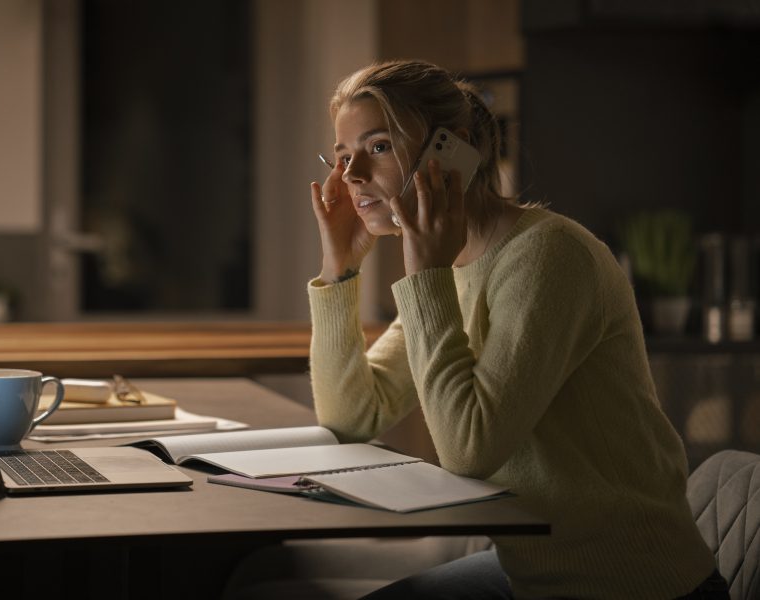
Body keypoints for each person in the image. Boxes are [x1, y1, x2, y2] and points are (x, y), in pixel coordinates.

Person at [307, 60, 726, 599]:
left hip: (632, 587)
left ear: (450, 150)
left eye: (379, 147)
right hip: (532, 576)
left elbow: (469, 449)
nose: (352, 176)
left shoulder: (548, 256)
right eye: (343, 156)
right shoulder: (453, 266)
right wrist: (338, 269)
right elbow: (352, 416)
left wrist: (426, 274)